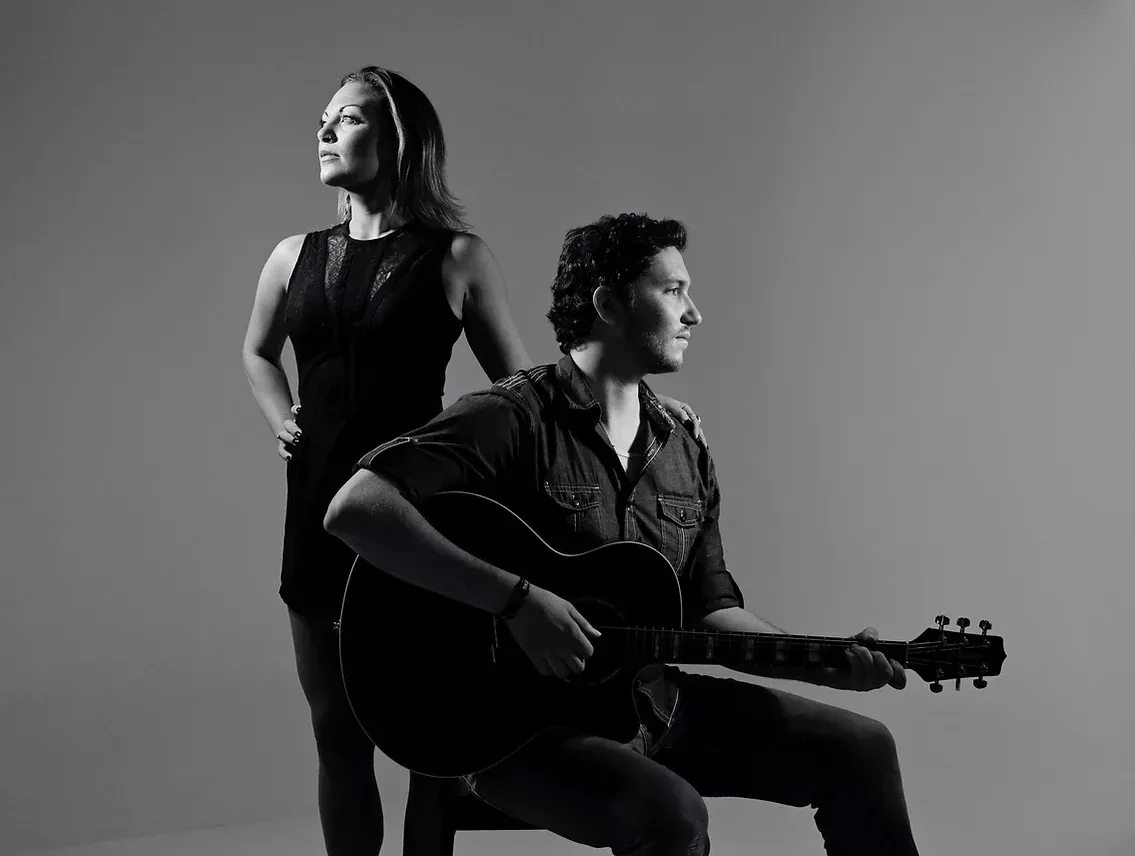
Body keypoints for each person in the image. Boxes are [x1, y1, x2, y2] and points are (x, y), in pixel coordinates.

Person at [323, 212, 921, 856]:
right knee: (670, 814)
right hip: (512, 730)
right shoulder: (513, 417)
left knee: (862, 748)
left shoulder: (684, 448)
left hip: (648, 705)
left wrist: (825, 663)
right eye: (673, 291)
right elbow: (356, 508)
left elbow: (711, 613)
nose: (693, 314)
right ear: (608, 302)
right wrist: (516, 601)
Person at [241, 69, 705, 856]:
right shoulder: (292, 256)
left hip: (429, 518)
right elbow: (256, 353)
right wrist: (280, 414)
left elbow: (532, 390)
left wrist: (646, 404)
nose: (322, 132)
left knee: (438, 742)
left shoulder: (456, 256)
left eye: (345, 119)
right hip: (318, 508)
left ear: (398, 139)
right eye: (321, 119)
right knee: (335, 734)